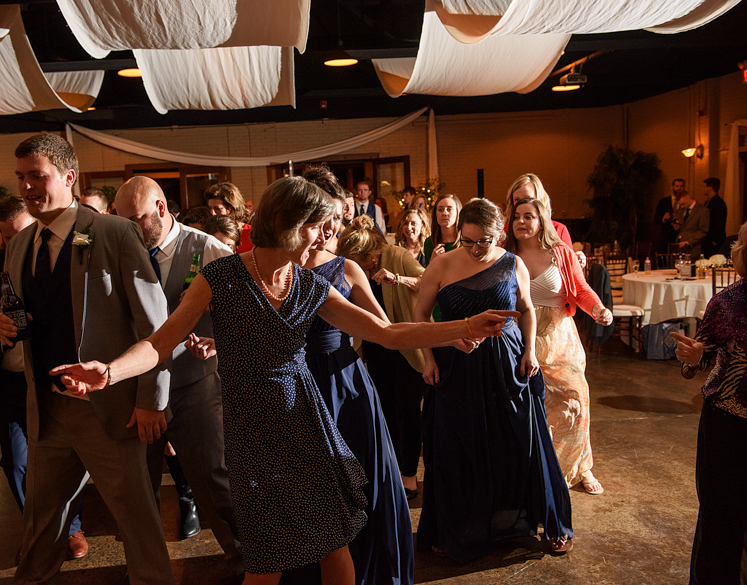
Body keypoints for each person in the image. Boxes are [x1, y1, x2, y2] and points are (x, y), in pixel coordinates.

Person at [52, 176, 516, 585]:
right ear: (291, 224)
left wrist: (463, 327)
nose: (324, 235)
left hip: (308, 427)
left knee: (334, 544)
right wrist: (108, 372)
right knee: (266, 558)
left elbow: (386, 332)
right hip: (254, 435)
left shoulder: (311, 285)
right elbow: (160, 343)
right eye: (316, 225)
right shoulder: (222, 277)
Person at [0, 133, 174, 585]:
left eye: (37, 176)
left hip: (108, 411)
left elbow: (156, 326)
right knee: (41, 522)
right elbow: (15, 306)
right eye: (21, 178)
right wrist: (1, 323)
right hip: (47, 410)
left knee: (137, 521)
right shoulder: (18, 245)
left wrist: (152, 399)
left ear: (69, 177)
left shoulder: (113, 233)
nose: (27, 187)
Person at [414, 197, 574, 561]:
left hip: (507, 364)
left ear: (498, 234)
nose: (473, 249)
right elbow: (421, 314)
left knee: (519, 443)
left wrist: (530, 351)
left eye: (482, 241)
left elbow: (528, 310)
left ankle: (536, 521)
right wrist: (428, 357)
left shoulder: (512, 262)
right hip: (456, 364)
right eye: (466, 241)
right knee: (459, 448)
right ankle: (457, 528)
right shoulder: (441, 264)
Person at [114, 176, 242, 574]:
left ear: (162, 210)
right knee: (137, 483)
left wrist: (218, 340)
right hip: (136, 385)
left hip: (195, 382)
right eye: (124, 222)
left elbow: (243, 313)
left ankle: (246, 559)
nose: (132, 230)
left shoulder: (208, 249)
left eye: (138, 220)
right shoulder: (122, 247)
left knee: (213, 476)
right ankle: (148, 570)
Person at [292, 165, 414, 584]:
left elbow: (388, 332)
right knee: (310, 490)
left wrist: (453, 334)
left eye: (334, 219)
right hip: (296, 390)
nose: (329, 228)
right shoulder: (275, 267)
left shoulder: (346, 269)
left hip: (346, 386)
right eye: (319, 219)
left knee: (360, 481)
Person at [0, 197, 91, 561]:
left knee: (66, 459)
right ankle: (39, 531)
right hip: (10, 380)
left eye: (17, 235)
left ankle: (72, 528)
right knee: (14, 462)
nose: (11, 245)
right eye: (5, 238)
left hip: (48, 376)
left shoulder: (53, 259)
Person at [505, 197, 613, 494]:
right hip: (518, 339)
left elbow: (579, 289)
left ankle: (579, 467)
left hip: (559, 338)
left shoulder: (560, 253)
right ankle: (536, 473)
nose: (521, 222)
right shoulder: (504, 254)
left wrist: (598, 309)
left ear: (542, 221)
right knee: (528, 409)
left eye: (529, 216)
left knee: (576, 399)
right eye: (516, 216)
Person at [671, 220, 747, 585]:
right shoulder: (727, 303)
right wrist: (693, 356)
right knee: (720, 519)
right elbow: (696, 365)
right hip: (727, 425)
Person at [337, 215, 426, 501]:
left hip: (407, 349)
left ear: (370, 256)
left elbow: (429, 283)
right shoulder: (356, 267)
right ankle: (392, 472)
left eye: (357, 262)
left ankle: (410, 477)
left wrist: (398, 278)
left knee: (408, 413)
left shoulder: (397, 255)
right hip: (376, 348)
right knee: (385, 412)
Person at [504, 174, 573, 247]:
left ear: (540, 200)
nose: (522, 203)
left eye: (527, 198)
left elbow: (567, 256)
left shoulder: (558, 229)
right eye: (517, 199)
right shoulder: (505, 232)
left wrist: (578, 258)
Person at [205, 182, 253, 252]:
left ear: (231, 208)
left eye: (217, 208)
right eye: (210, 208)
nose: (212, 213)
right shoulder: (209, 232)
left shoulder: (251, 234)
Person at [423, 194, 462, 266]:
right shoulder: (430, 242)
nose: (444, 213)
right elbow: (429, 276)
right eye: (440, 210)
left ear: (458, 212)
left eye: (449, 209)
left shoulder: (466, 240)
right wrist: (433, 261)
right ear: (435, 214)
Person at [673, 189, 710, 261]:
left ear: (688, 198)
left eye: (683, 204)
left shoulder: (702, 211)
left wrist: (688, 242)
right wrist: (676, 227)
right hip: (679, 247)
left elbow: (703, 231)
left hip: (693, 248)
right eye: (680, 205)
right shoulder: (681, 210)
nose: (682, 207)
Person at [654, 178, 686, 256]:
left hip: (681, 236)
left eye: (681, 186)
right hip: (666, 237)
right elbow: (656, 219)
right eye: (677, 186)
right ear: (672, 187)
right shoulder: (663, 201)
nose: (679, 188)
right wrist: (664, 218)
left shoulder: (686, 202)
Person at [701, 177, 727, 258]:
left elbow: (719, 222)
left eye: (705, 187)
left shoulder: (718, 203)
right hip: (708, 239)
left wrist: (715, 241)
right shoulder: (708, 202)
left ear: (710, 188)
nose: (703, 189)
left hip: (714, 240)